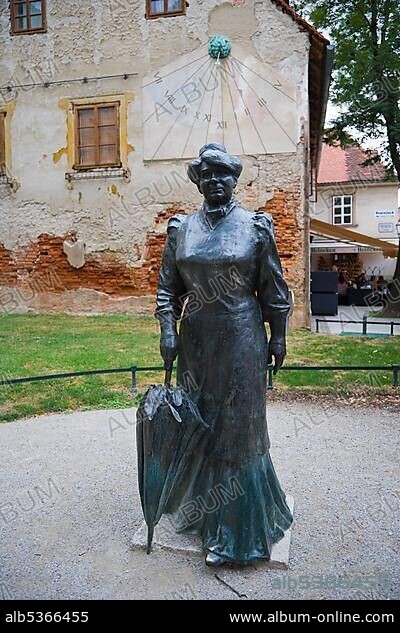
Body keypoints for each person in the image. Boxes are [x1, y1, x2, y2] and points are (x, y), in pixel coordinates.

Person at [155, 144, 293, 567]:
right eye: (206, 174)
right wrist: (167, 331)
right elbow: (167, 290)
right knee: (200, 425)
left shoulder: (255, 226)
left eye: (222, 173)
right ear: (198, 181)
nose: (214, 180)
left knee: (238, 431)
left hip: (241, 341)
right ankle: (201, 514)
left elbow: (274, 290)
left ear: (235, 179)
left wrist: (279, 336)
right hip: (195, 343)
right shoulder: (181, 229)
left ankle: (239, 533)